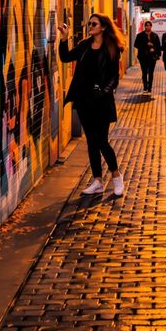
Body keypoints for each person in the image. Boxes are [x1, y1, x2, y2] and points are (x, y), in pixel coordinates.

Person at [58, 13, 126, 196]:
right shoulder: (84, 46)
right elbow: (65, 57)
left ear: (103, 27)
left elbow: (114, 77)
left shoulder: (112, 48)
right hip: (84, 101)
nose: (90, 26)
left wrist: (104, 91)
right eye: (89, 23)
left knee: (101, 141)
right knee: (91, 142)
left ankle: (116, 177)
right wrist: (64, 39)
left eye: (93, 24)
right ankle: (97, 181)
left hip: (102, 101)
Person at [132, 19, 161, 94]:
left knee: (151, 73)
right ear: (145, 26)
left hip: (152, 57)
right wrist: (146, 45)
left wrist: (154, 49)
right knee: (144, 72)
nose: (148, 27)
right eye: (146, 25)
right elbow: (136, 45)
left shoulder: (155, 35)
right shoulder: (140, 35)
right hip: (143, 57)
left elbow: (158, 46)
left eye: (149, 25)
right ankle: (145, 87)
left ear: (151, 26)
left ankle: (150, 88)